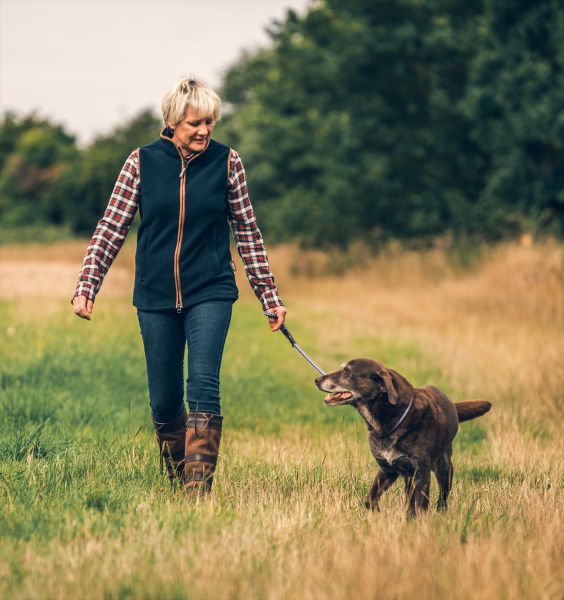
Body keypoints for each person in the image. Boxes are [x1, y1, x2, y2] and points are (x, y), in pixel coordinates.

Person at [72, 76, 286, 496]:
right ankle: (176, 480)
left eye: (210, 121)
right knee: (165, 400)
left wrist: (269, 296)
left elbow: (247, 232)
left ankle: (197, 489)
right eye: (194, 123)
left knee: (203, 383)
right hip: (154, 294)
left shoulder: (228, 163)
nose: (204, 130)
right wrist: (87, 284)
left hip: (211, 289)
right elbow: (112, 227)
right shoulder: (141, 162)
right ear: (172, 122)